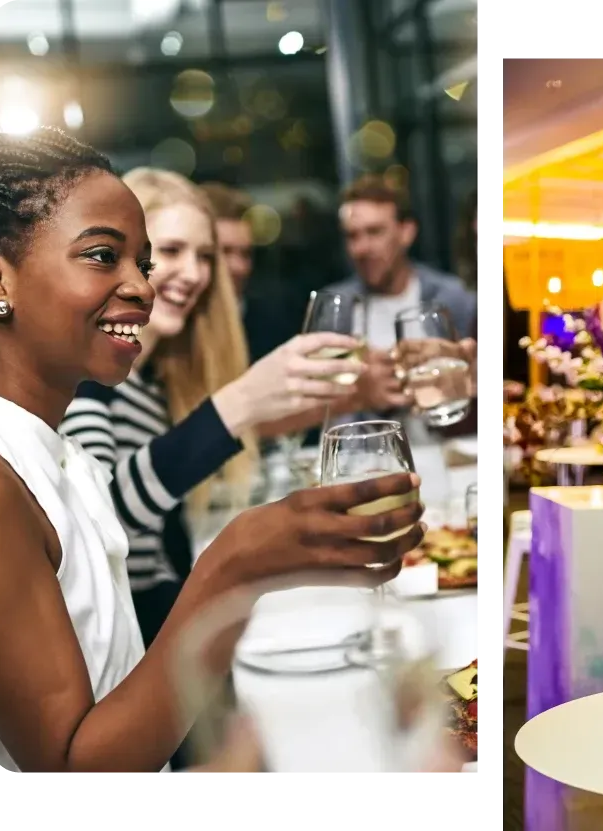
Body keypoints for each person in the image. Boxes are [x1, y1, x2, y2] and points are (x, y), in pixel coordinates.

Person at [0, 126, 424, 774]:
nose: (142, 286)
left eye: (144, 263)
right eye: (105, 256)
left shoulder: (60, 455)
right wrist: (234, 566)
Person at [59, 168, 373, 649]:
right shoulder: (87, 377)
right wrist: (237, 403)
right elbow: (102, 522)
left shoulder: (147, 376)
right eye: (170, 251)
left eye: (205, 257)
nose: (195, 273)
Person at [329, 176, 477, 418]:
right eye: (352, 236)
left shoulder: (455, 298)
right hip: (365, 448)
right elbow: (312, 402)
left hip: (445, 446)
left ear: (406, 232)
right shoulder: (336, 307)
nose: (361, 248)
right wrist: (356, 390)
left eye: (375, 232)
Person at [199, 181, 305, 365]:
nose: (240, 267)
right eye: (225, 251)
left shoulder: (274, 324)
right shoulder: (172, 326)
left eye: (245, 254)